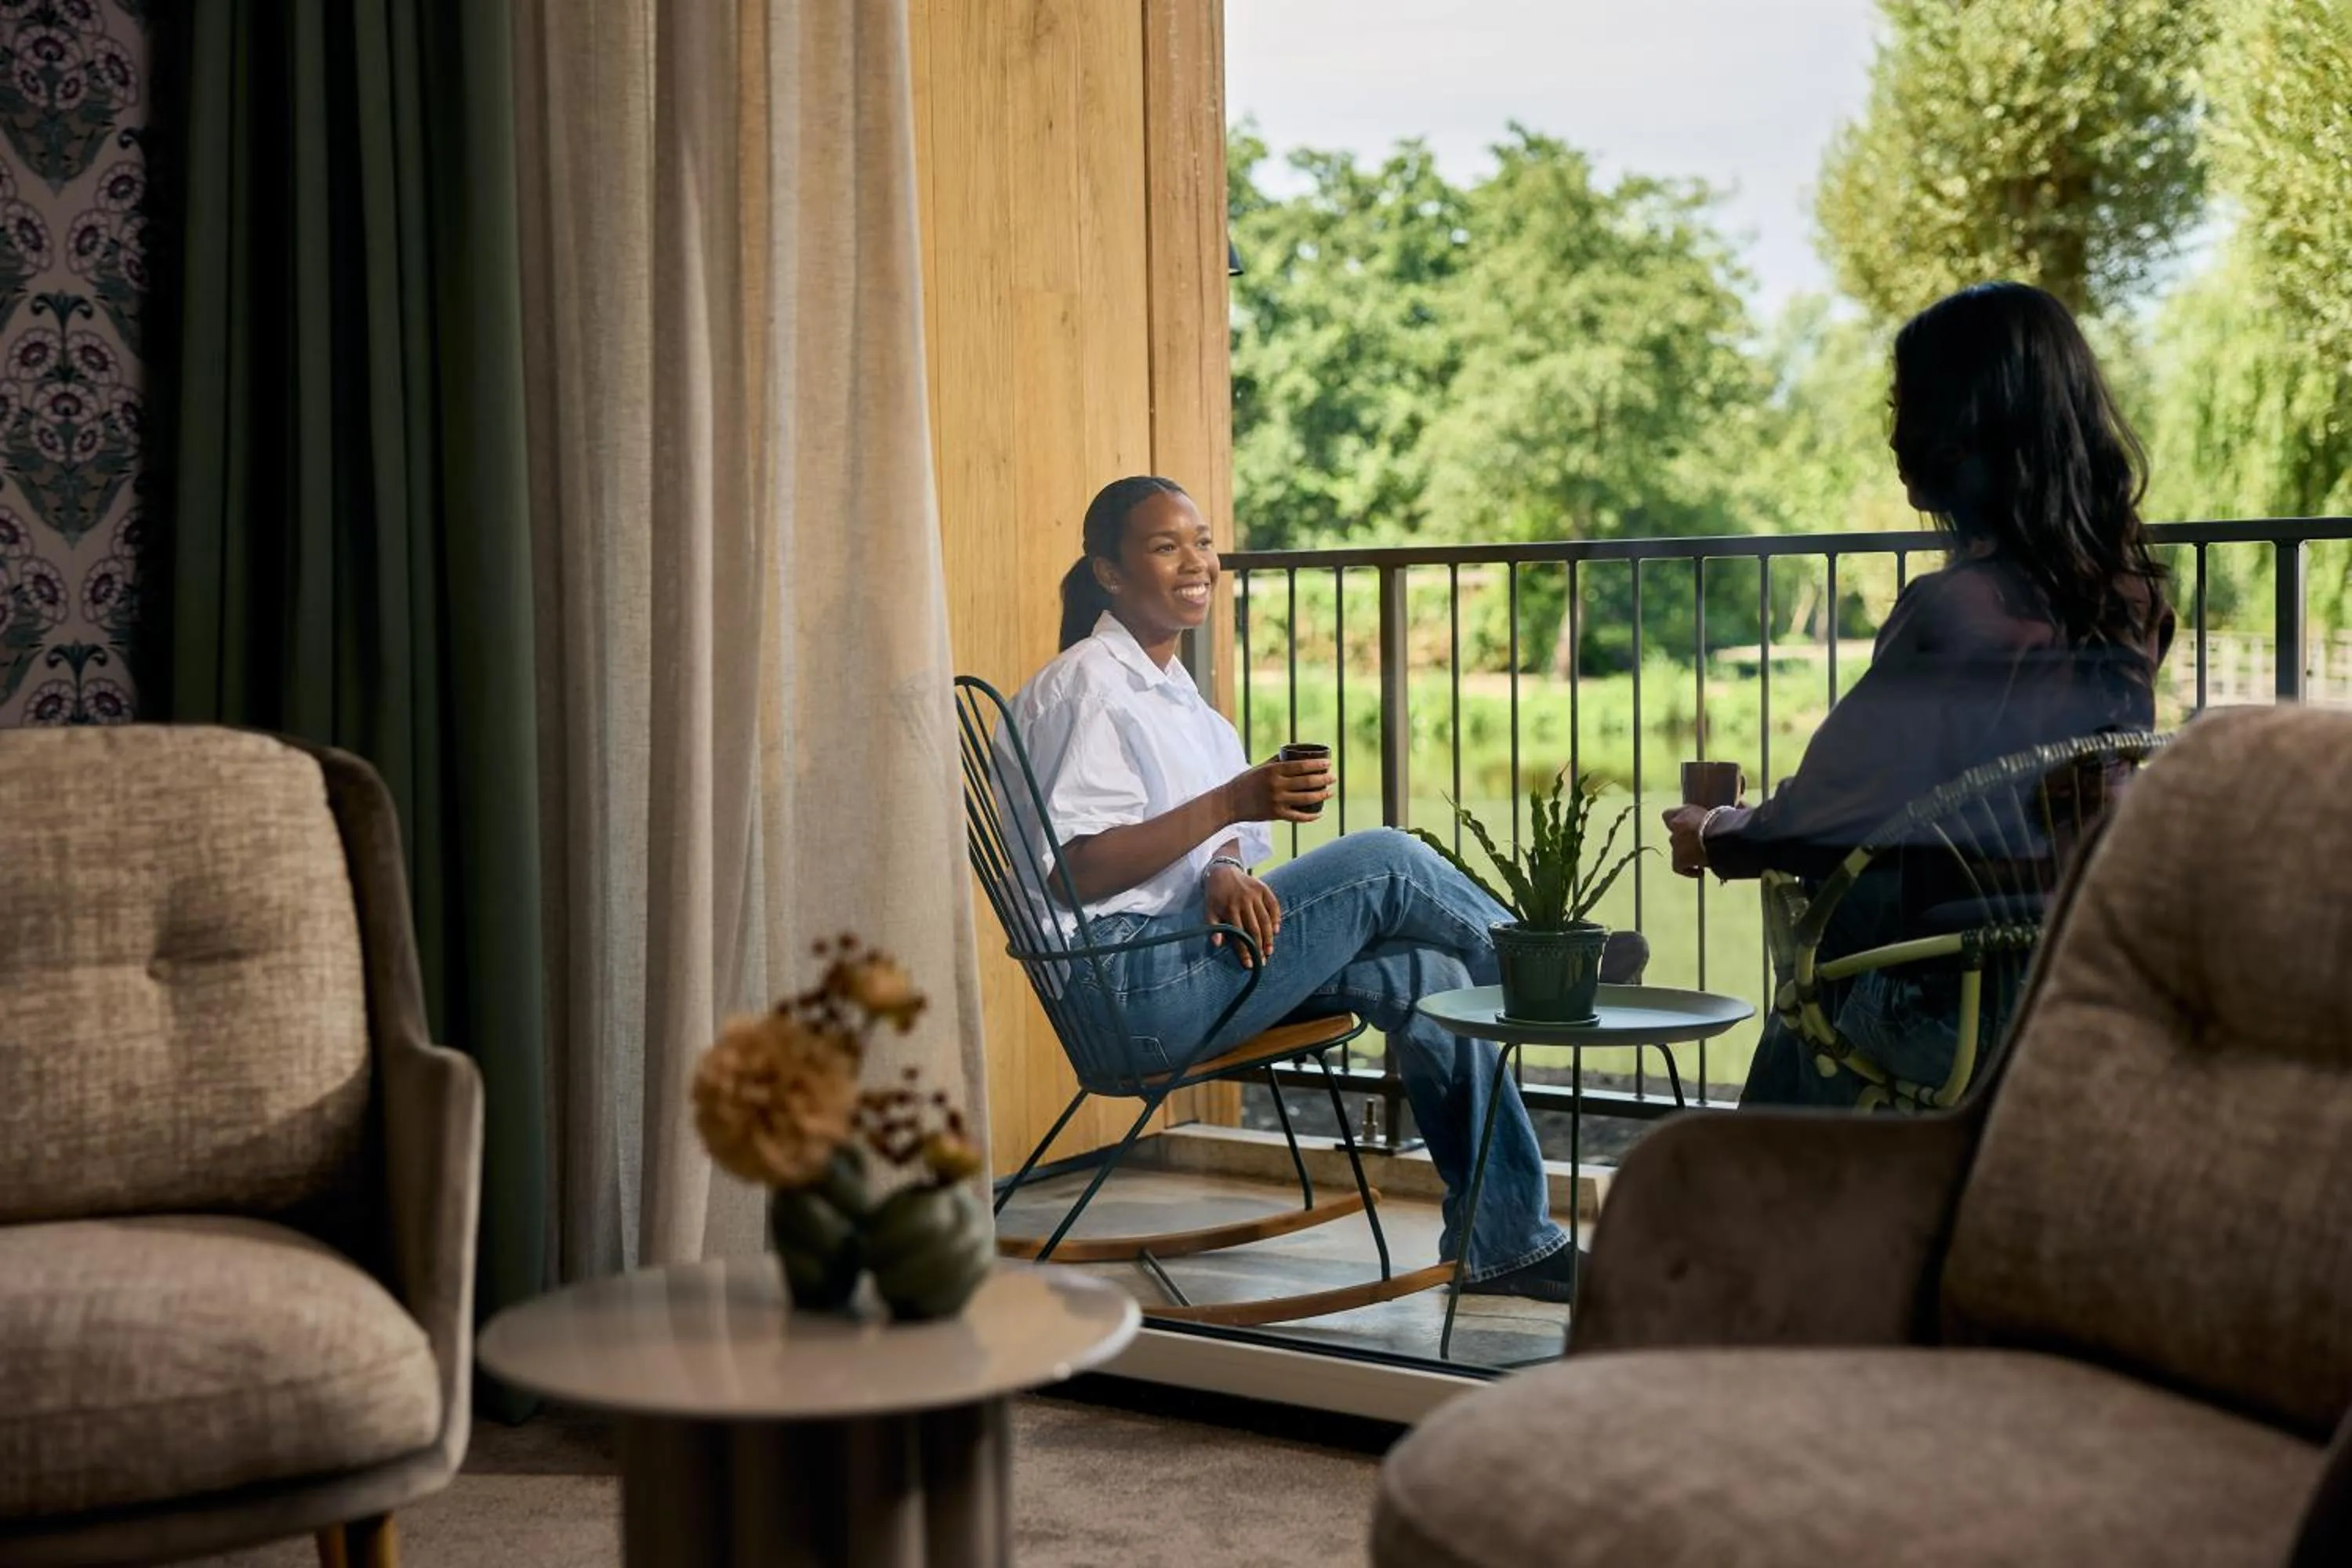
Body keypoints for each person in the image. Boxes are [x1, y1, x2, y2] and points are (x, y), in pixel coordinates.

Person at [1006, 474, 1641, 1302]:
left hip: (1187, 959)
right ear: (1110, 573)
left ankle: (1507, 1241)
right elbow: (1077, 869)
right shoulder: (1088, 685)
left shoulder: (1172, 693)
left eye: (1201, 540)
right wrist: (1233, 801)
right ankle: (1546, 966)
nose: (1196, 561)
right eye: (1166, 546)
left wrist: (1227, 866)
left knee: (1430, 977)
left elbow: (1194, 837)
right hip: (1132, 990)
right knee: (1382, 860)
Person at [1661, 281, 2176, 1107]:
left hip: (1953, 1008)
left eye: (1908, 403)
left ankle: (1763, 1210)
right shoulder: (2131, 599)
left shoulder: (1958, 611)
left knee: (1812, 989)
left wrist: (1718, 831)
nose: (1895, 432)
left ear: (1969, 424)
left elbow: (1827, 817)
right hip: (2083, 982)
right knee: (1850, 939)